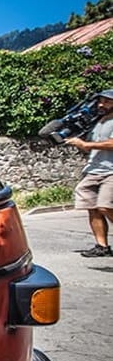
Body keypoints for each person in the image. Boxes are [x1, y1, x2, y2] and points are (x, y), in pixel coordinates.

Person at [65, 90, 113, 258]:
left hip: (110, 171)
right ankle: (102, 246)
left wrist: (86, 144)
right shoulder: (97, 122)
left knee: (105, 205)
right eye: (101, 101)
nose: (102, 104)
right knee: (92, 208)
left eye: (107, 102)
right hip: (92, 169)